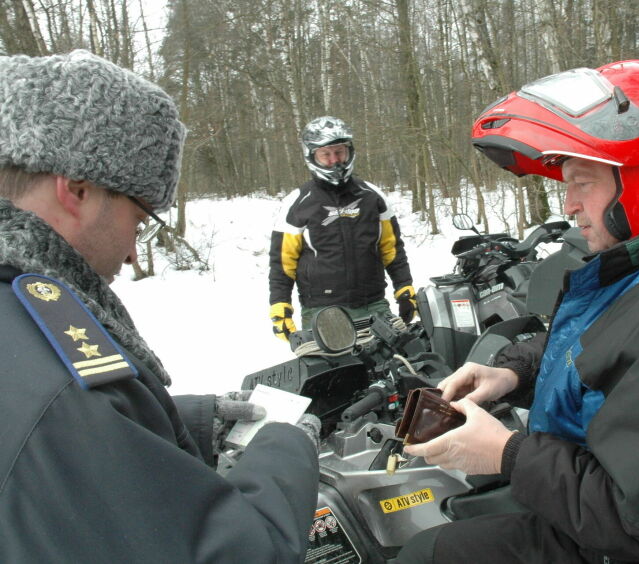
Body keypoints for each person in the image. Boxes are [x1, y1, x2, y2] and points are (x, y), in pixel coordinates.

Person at [399, 61, 639, 563]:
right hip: (603, 512)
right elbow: (608, 346)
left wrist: (507, 453)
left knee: (430, 553)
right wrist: (512, 373)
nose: (570, 205)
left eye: (582, 183)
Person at [0, 50, 319, 563]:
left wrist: (181, 422)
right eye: (140, 217)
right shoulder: (51, 371)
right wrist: (285, 448)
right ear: (77, 189)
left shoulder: (21, 312)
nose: (131, 250)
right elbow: (234, 555)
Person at [268, 116, 415, 339]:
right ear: (312, 156)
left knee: (394, 366)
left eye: (339, 152)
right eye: (326, 154)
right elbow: (282, 263)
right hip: (322, 310)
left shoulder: (372, 196)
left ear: (349, 152)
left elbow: (391, 248)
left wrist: (404, 288)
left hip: (373, 304)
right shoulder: (297, 203)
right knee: (334, 373)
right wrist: (280, 307)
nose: (334, 160)